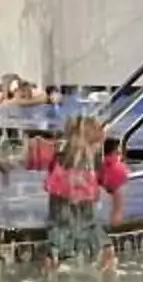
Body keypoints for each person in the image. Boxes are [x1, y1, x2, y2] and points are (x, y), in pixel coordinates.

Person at [25, 113, 129, 272]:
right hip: (60, 218)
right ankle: (49, 271)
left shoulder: (96, 162)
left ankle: (107, 274)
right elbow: (33, 159)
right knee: (55, 246)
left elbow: (115, 188)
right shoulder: (59, 156)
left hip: (88, 219)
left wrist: (117, 212)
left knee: (105, 249)